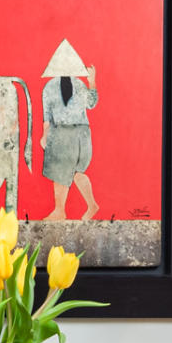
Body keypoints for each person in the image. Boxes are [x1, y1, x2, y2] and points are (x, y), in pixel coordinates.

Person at [40, 39, 97, 221]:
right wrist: (45, 136)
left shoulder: (80, 85)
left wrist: (92, 82)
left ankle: (64, 210)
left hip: (79, 132)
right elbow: (47, 116)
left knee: (71, 171)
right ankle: (66, 209)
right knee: (65, 172)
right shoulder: (49, 88)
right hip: (59, 133)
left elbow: (91, 103)